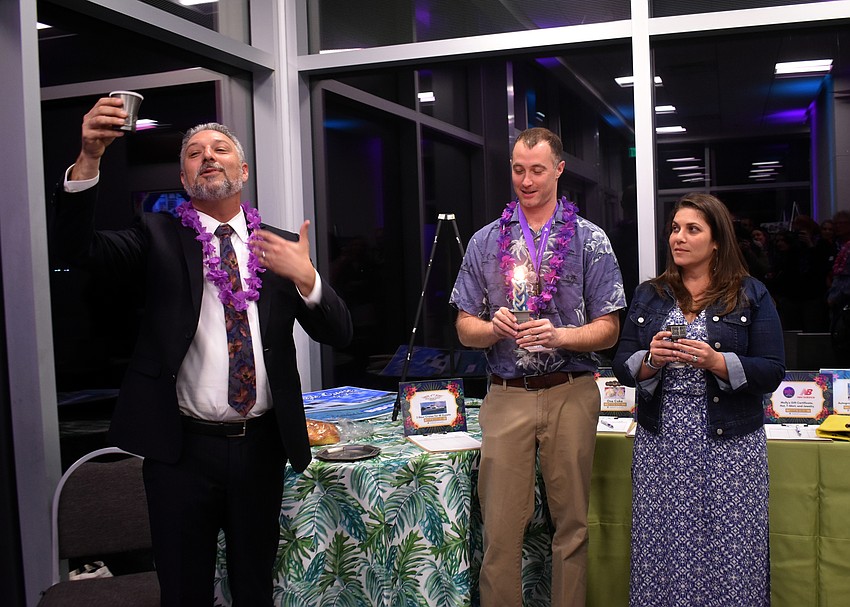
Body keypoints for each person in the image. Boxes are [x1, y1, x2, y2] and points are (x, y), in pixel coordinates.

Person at [51, 97, 353, 606]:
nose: (207, 157)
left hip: (261, 446)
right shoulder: (157, 236)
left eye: (219, 149)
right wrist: (89, 160)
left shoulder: (276, 246)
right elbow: (76, 250)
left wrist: (308, 278)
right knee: (184, 591)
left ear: (244, 169)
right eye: (193, 153)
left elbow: (340, 334)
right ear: (183, 175)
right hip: (181, 452)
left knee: (254, 587)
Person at [450, 127, 626, 607]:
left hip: (571, 389)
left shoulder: (590, 240)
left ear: (559, 169)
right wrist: (493, 328)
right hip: (507, 392)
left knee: (571, 526)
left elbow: (609, 328)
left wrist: (560, 335)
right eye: (518, 169)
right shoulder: (487, 241)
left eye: (537, 170)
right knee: (501, 530)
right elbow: (465, 326)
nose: (526, 181)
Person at [612, 192, 785, 607]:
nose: (679, 238)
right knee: (664, 545)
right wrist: (651, 360)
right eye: (675, 228)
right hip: (663, 441)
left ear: (716, 241)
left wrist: (718, 361)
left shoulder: (750, 294)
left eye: (693, 229)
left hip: (730, 446)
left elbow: (773, 370)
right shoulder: (650, 294)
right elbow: (621, 365)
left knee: (730, 549)